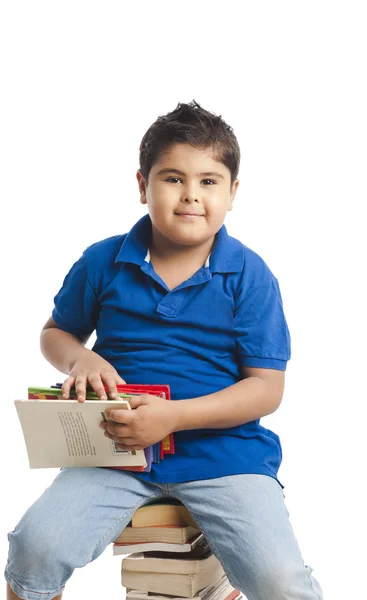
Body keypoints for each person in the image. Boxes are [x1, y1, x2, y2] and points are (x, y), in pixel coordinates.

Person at [5, 100, 323, 600]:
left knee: (280, 582)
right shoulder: (102, 261)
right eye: (173, 179)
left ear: (233, 193)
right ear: (141, 186)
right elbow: (54, 335)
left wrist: (173, 417)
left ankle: (223, 575)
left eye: (209, 182)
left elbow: (266, 389)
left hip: (225, 456)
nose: (191, 196)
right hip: (115, 452)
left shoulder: (250, 275)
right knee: (35, 548)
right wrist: (80, 357)